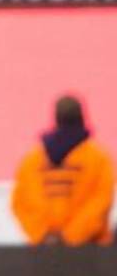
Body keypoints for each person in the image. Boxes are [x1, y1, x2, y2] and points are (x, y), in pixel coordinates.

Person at [11, 94, 114, 246]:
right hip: (91, 250)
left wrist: (42, 235)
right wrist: (71, 236)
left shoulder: (32, 160)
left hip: (44, 250)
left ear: (56, 119)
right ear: (81, 117)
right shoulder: (98, 158)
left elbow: (20, 202)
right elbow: (101, 201)